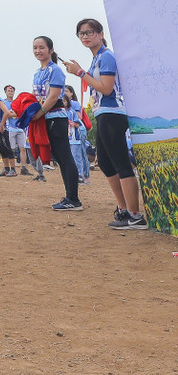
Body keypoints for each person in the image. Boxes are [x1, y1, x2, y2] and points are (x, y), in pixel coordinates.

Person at [63, 18, 145, 229]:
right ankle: (124, 209)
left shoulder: (107, 56)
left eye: (90, 32)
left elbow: (107, 89)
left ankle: (135, 215)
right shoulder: (97, 58)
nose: (85, 36)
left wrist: (80, 73)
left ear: (100, 34)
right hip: (104, 113)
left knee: (120, 163)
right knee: (107, 164)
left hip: (113, 113)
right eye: (81, 33)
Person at [32, 36, 82, 211]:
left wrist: (39, 113)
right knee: (61, 159)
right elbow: (37, 97)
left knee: (65, 157)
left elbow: (53, 97)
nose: (38, 51)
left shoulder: (55, 70)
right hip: (46, 118)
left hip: (56, 118)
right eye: (35, 47)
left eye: (42, 47)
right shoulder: (38, 72)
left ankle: (73, 199)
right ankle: (69, 196)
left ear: (51, 50)